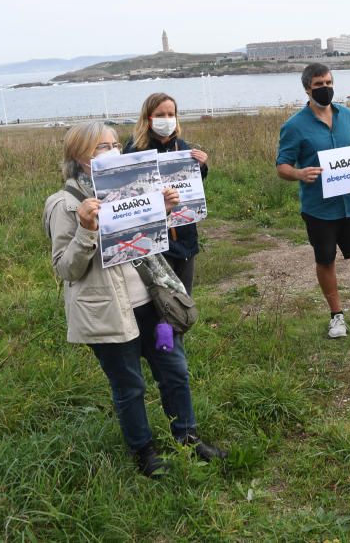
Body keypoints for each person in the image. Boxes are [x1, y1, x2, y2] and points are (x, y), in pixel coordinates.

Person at [43, 121, 225, 478]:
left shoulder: (130, 189)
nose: (112, 150)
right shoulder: (63, 205)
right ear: (79, 156)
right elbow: (66, 270)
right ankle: (144, 452)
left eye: (114, 143)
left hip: (153, 304)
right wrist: (86, 229)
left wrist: (164, 211)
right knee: (129, 385)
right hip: (108, 311)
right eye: (101, 147)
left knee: (175, 372)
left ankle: (186, 437)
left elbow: (147, 241)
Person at [275, 63, 350, 339]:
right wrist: (298, 173)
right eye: (319, 85)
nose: (325, 88)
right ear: (307, 88)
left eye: (328, 83)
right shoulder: (294, 126)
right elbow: (282, 166)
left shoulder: (348, 115)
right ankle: (336, 316)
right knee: (326, 261)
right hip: (319, 209)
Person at [123, 92, 209, 295]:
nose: (167, 119)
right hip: (154, 242)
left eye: (171, 114)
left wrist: (201, 166)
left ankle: (178, 328)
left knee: (183, 301)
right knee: (161, 301)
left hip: (185, 237)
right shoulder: (134, 151)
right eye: (161, 115)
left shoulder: (182, 147)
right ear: (148, 118)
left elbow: (192, 189)